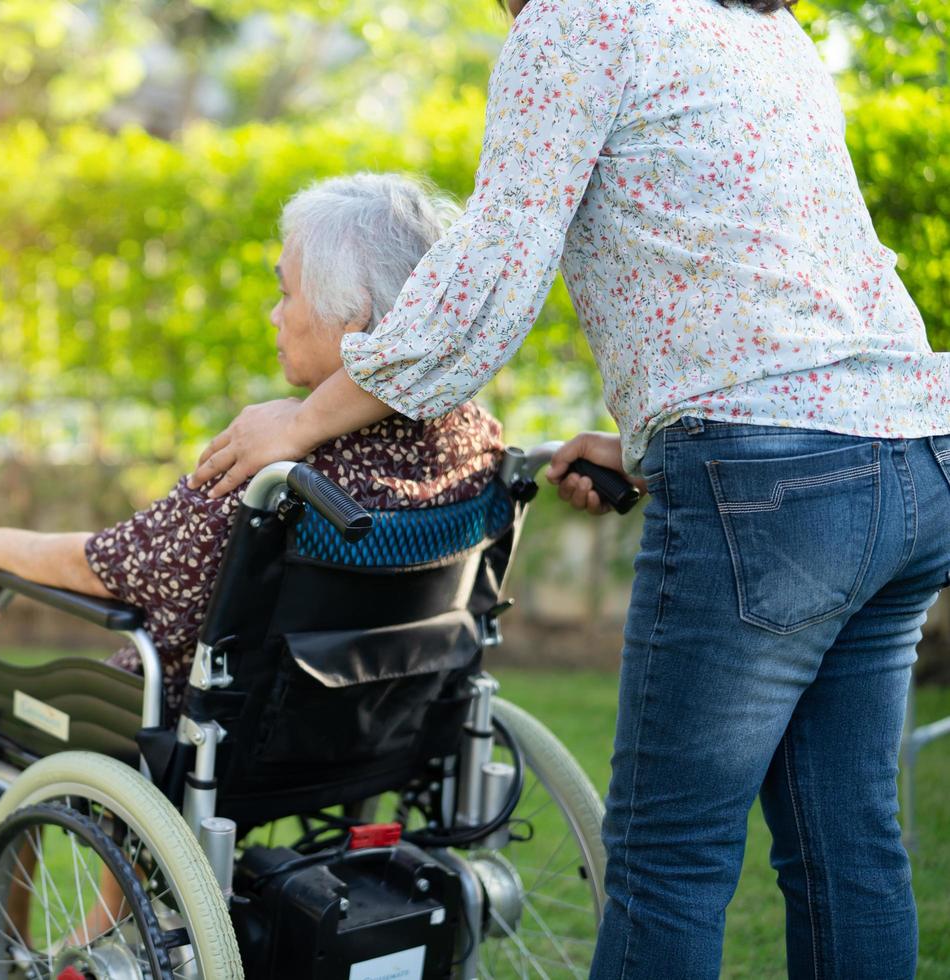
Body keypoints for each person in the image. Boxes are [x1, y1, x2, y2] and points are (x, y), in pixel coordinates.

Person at [187, 1, 950, 978]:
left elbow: (490, 274)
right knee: (848, 846)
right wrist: (648, 439)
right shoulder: (756, 27)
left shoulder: (578, 17)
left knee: (669, 860)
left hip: (773, 486)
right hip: (912, 450)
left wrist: (296, 422)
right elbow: (773, 285)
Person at [0, 172, 506, 721]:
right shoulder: (475, 441)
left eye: (286, 293)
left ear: (354, 316)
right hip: (378, 725)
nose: (274, 314)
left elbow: (121, 567)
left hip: (207, 735)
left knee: (4, 719)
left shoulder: (280, 474)